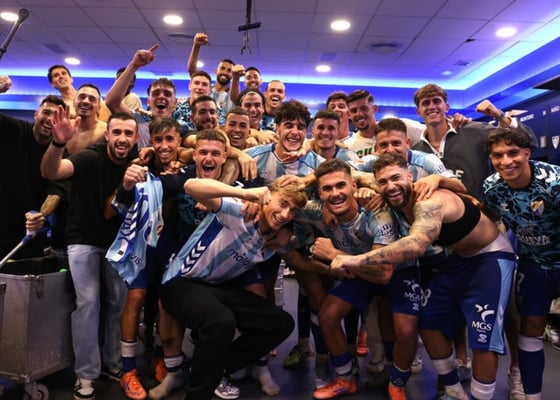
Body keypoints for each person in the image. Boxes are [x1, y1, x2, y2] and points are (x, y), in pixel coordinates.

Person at [332, 153, 516, 400]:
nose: (390, 186)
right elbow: (349, 175)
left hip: (491, 257)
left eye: (396, 178)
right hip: (459, 259)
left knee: (483, 338)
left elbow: (416, 244)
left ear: (410, 176)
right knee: (428, 322)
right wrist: (318, 192)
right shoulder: (389, 193)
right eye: (383, 182)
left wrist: (355, 259)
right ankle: (453, 392)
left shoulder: (429, 201)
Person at [156, 176, 306, 400]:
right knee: (221, 321)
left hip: (216, 289)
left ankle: (215, 367)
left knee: (281, 323)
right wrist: (245, 194)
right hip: (181, 282)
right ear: (266, 197)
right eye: (282, 204)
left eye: (292, 211)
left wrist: (335, 266)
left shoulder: (275, 238)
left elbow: (300, 257)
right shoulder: (239, 210)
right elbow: (191, 186)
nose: (285, 214)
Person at [284, 158, 403, 400]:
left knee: (401, 325)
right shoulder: (318, 209)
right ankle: (345, 379)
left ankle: (396, 378)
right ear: (320, 193)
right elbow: (279, 202)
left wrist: (334, 255)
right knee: (327, 315)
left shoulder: (376, 213)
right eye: (327, 189)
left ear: (353, 186)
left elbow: (384, 273)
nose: (335, 193)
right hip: (357, 274)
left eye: (341, 186)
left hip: (391, 273)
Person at [41, 109, 139, 400]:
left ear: (136, 138)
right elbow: (51, 172)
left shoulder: (137, 163)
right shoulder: (90, 157)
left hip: (118, 244)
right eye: (117, 132)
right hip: (83, 239)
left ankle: (112, 363)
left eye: (128, 133)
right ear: (107, 134)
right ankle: (85, 374)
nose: (122, 138)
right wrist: (58, 144)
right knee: (88, 303)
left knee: (118, 303)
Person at [483, 127, 560, 400]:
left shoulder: (554, 182)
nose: (506, 161)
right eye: (498, 155)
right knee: (530, 330)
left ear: (527, 153)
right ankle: (532, 396)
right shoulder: (492, 187)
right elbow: (490, 217)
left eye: (513, 153)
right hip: (533, 265)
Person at [110, 117, 183, 400]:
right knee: (136, 297)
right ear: (150, 141)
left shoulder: (187, 166)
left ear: (178, 141)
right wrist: (127, 184)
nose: (164, 146)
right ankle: (128, 370)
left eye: (170, 139)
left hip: (173, 245)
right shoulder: (140, 167)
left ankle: (166, 359)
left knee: (168, 304)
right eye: (158, 140)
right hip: (142, 245)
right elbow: (120, 204)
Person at [0, 90, 66, 260]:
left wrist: (41, 216)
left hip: (30, 233)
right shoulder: (14, 129)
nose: (50, 119)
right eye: (46, 112)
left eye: (56, 116)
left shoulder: (60, 153)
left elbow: (56, 191)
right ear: (36, 114)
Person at [105, 44, 178, 149]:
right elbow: (112, 102)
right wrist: (134, 65)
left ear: (175, 103)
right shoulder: (136, 120)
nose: (161, 96)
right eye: (156, 93)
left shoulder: (181, 127)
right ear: (148, 101)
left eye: (167, 94)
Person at [345, 89, 424, 158]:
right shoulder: (349, 146)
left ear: (374, 109)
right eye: (354, 111)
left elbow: (427, 132)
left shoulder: (399, 126)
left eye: (364, 108)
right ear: (348, 115)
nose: (359, 114)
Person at [186, 32, 240, 114]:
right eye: (222, 68)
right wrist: (196, 46)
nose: (225, 72)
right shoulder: (206, 89)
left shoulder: (233, 95)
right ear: (216, 71)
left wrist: (236, 78)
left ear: (232, 75)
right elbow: (192, 71)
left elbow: (237, 99)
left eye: (229, 70)